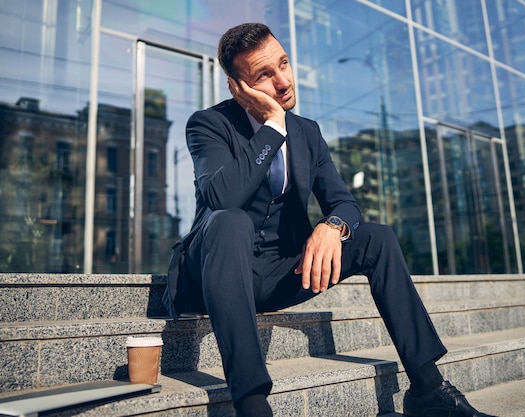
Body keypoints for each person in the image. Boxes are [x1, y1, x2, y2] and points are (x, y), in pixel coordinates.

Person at [163, 22, 496, 417]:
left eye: (283, 63)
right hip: (214, 273)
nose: (283, 81)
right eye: (264, 75)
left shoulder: (308, 132)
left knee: (377, 237)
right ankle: (252, 405)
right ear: (239, 86)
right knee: (229, 221)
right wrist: (271, 126)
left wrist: (331, 227)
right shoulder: (208, 124)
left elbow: (345, 203)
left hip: (277, 272)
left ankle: (427, 388)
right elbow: (221, 197)